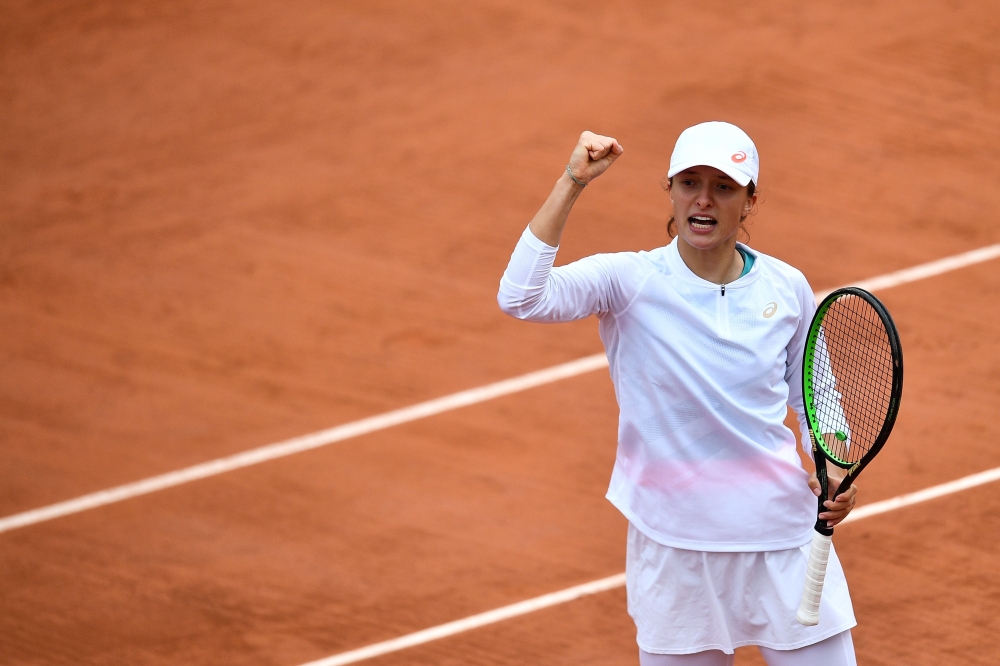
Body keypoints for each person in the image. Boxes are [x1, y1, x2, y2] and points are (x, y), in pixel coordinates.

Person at [497, 122, 860, 666]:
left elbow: (815, 390)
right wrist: (573, 180)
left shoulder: (785, 286)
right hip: (674, 546)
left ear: (749, 200)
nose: (704, 200)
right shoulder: (628, 280)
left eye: (724, 186)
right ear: (669, 189)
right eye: (690, 182)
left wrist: (832, 459)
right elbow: (521, 297)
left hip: (781, 535)